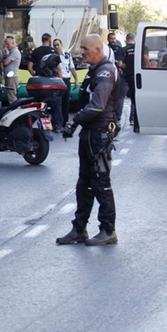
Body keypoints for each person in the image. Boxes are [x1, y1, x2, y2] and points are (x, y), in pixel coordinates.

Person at [56, 34, 119, 246]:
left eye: (85, 49)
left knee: (101, 183)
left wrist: (73, 123)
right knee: (84, 183)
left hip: (99, 135)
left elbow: (97, 105)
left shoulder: (106, 71)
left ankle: (108, 230)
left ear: (97, 50)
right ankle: (79, 228)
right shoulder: (94, 70)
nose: (81, 52)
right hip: (89, 133)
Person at [54, 38, 78, 127]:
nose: (56, 47)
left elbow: (72, 68)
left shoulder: (67, 55)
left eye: (58, 44)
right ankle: (58, 121)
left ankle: (65, 121)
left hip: (66, 80)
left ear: (61, 44)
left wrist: (76, 80)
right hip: (57, 81)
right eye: (54, 45)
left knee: (65, 101)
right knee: (57, 102)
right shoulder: (53, 56)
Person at [122, 33, 139, 131]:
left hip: (128, 77)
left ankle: (133, 119)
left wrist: (128, 68)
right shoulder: (140, 48)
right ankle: (137, 122)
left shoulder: (123, 50)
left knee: (133, 99)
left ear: (126, 40)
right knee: (138, 100)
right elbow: (146, 59)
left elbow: (120, 63)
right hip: (140, 77)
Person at [2, 36, 21, 102]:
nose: (6, 46)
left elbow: (5, 63)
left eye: (8, 44)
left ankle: (14, 108)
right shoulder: (11, 52)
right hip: (9, 76)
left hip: (12, 77)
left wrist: (3, 62)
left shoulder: (15, 52)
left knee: (11, 96)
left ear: (13, 43)